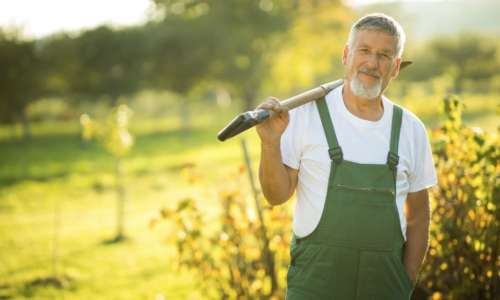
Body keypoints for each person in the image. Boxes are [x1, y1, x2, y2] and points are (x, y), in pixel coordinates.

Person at [256, 13, 437, 300]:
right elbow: (275, 196)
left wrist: (406, 280)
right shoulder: (306, 114)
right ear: (346, 55)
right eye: (364, 50)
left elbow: (418, 215)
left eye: (384, 55)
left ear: (396, 67)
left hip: (385, 289)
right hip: (314, 286)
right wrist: (270, 143)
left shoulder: (410, 129)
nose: (371, 63)